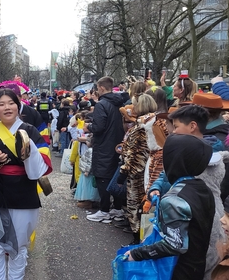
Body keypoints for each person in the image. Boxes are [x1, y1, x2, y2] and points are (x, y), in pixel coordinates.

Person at [0, 89, 52, 280]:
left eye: (11, 103)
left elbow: (40, 169)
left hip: (24, 192)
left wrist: (28, 151)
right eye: (1, 104)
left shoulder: (31, 131)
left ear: (18, 104)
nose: (7, 108)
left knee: (19, 244)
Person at [126, 135, 215, 280]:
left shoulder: (174, 199)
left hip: (176, 269)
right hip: (196, 265)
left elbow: (175, 244)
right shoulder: (203, 188)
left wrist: (137, 253)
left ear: (173, 160)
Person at [84, 76, 128, 223]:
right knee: (116, 175)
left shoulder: (102, 104)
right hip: (118, 143)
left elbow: (99, 127)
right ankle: (117, 208)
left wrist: (88, 127)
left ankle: (104, 211)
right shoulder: (120, 103)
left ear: (101, 88)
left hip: (104, 145)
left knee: (102, 176)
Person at [118, 94, 156, 244]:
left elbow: (134, 154)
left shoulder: (141, 126)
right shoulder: (155, 121)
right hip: (147, 168)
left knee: (136, 206)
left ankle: (138, 240)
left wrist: (124, 171)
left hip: (137, 172)